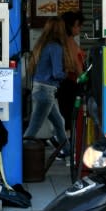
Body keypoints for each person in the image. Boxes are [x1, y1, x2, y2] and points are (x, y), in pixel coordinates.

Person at [24, 17, 79, 158]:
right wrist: (67, 73)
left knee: (59, 122)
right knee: (33, 128)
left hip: (40, 89)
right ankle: (18, 157)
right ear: (60, 30)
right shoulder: (55, 47)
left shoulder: (42, 45)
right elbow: (56, 73)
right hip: (46, 90)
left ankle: (67, 151)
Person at [56, 11, 85, 135]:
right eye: (77, 25)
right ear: (69, 26)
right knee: (69, 116)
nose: (79, 28)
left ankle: (66, 142)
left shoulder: (63, 41)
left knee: (65, 115)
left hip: (65, 84)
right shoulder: (68, 42)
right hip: (70, 84)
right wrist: (83, 80)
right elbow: (77, 64)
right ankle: (68, 144)